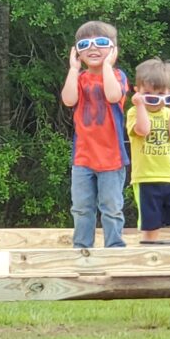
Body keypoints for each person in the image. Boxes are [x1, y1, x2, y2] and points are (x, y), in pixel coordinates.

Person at [61, 21, 129, 248]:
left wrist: (108, 66)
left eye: (101, 42)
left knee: (111, 207)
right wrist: (73, 69)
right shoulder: (79, 79)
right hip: (83, 158)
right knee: (81, 207)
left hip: (111, 158)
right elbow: (69, 100)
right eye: (84, 44)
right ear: (77, 51)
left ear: (113, 49)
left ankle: (114, 248)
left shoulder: (118, 76)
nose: (93, 48)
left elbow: (112, 96)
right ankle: (82, 249)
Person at [126, 58, 170, 242]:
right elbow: (143, 130)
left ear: (169, 93)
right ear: (137, 91)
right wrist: (140, 105)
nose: (155, 100)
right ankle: (149, 254)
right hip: (146, 178)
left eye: (160, 94)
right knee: (151, 224)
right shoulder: (134, 112)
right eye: (148, 94)